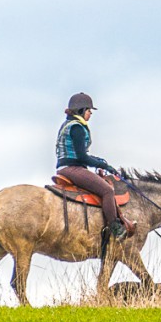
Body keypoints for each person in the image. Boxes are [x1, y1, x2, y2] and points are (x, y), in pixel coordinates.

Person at [55, 92, 127, 239]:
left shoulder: (69, 124)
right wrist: (103, 165)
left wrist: (99, 161)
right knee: (107, 190)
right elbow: (82, 157)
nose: (90, 114)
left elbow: (82, 154)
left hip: (68, 166)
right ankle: (115, 227)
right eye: (89, 111)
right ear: (81, 111)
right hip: (72, 168)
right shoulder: (77, 128)